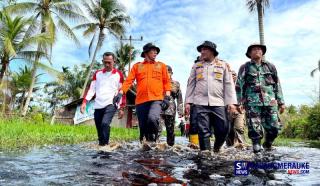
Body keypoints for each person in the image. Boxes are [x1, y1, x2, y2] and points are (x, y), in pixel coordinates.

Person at [185, 41, 237, 152]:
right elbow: (191, 84)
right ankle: (206, 155)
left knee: (223, 129)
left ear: (212, 52)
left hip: (218, 102)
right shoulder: (196, 66)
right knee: (203, 131)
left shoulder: (223, 65)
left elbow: (228, 84)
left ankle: (217, 148)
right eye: (201, 50)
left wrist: (231, 103)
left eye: (205, 49)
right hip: (200, 103)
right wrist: (188, 102)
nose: (202, 52)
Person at [236, 43, 285, 153]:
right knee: (254, 129)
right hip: (252, 103)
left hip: (271, 102)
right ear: (249, 53)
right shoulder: (245, 67)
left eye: (259, 49)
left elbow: (277, 84)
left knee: (275, 128)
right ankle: (256, 148)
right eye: (254, 49)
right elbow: (239, 85)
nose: (257, 50)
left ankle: (267, 144)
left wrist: (281, 102)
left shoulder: (270, 66)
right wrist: (239, 102)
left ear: (262, 52)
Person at [119, 43, 171, 143]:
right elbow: (128, 81)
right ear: (146, 52)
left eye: (157, 51)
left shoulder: (161, 66)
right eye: (153, 50)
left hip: (156, 99)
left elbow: (166, 82)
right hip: (141, 101)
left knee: (152, 118)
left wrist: (167, 97)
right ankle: (145, 145)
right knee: (143, 126)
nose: (156, 52)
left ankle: (153, 140)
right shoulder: (137, 66)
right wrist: (120, 93)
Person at [80, 52, 125, 146]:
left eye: (109, 62)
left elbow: (122, 91)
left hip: (111, 104)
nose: (107, 64)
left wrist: (121, 107)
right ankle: (102, 148)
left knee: (105, 124)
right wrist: (84, 102)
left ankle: (106, 147)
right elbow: (92, 90)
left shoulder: (118, 74)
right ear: (102, 61)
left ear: (114, 61)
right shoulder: (97, 74)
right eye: (105, 62)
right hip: (98, 105)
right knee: (100, 129)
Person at [159, 65, 183, 146]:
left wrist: (180, 111)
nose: (165, 74)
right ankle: (155, 146)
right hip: (159, 107)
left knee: (170, 130)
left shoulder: (176, 84)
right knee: (158, 128)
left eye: (168, 72)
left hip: (171, 110)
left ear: (171, 73)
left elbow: (179, 99)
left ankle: (171, 146)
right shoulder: (158, 83)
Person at [226, 70, 246, 147]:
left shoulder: (241, 85)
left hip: (240, 110)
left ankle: (242, 145)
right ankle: (230, 147)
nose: (233, 76)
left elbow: (246, 95)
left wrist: (243, 104)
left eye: (234, 74)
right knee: (229, 130)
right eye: (231, 75)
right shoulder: (225, 86)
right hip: (228, 110)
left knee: (239, 128)